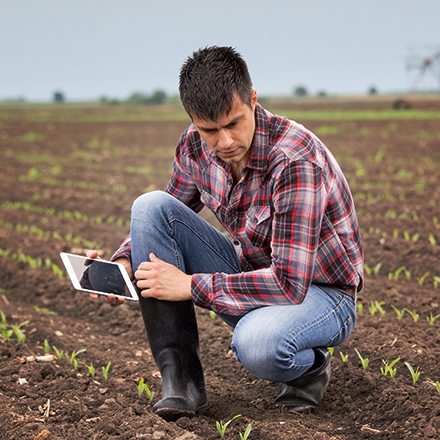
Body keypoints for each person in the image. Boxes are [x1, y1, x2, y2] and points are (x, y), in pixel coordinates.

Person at [89, 46, 363, 421]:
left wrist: (190, 285)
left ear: (252, 100)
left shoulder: (295, 161)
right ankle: (181, 382)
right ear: (192, 119)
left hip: (321, 294)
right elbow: (167, 215)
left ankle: (309, 366)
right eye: (209, 129)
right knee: (149, 206)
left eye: (233, 123)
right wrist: (123, 262)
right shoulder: (193, 146)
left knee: (257, 343)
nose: (224, 142)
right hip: (252, 275)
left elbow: (288, 285)